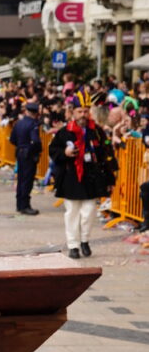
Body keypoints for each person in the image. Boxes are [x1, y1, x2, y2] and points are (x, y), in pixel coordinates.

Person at [49, 102, 111, 258]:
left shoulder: (96, 131)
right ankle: (73, 245)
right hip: (71, 178)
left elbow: (106, 154)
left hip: (91, 178)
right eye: (79, 111)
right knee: (72, 213)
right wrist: (65, 152)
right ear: (73, 112)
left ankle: (84, 240)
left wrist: (110, 179)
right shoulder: (64, 132)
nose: (83, 115)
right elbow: (53, 150)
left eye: (85, 111)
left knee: (89, 212)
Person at [10, 101, 42, 215]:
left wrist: (21, 145)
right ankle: (25, 205)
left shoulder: (19, 123)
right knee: (27, 180)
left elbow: (12, 139)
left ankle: (19, 204)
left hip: (20, 152)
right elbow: (36, 141)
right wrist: (37, 150)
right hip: (29, 154)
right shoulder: (33, 124)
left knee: (21, 179)